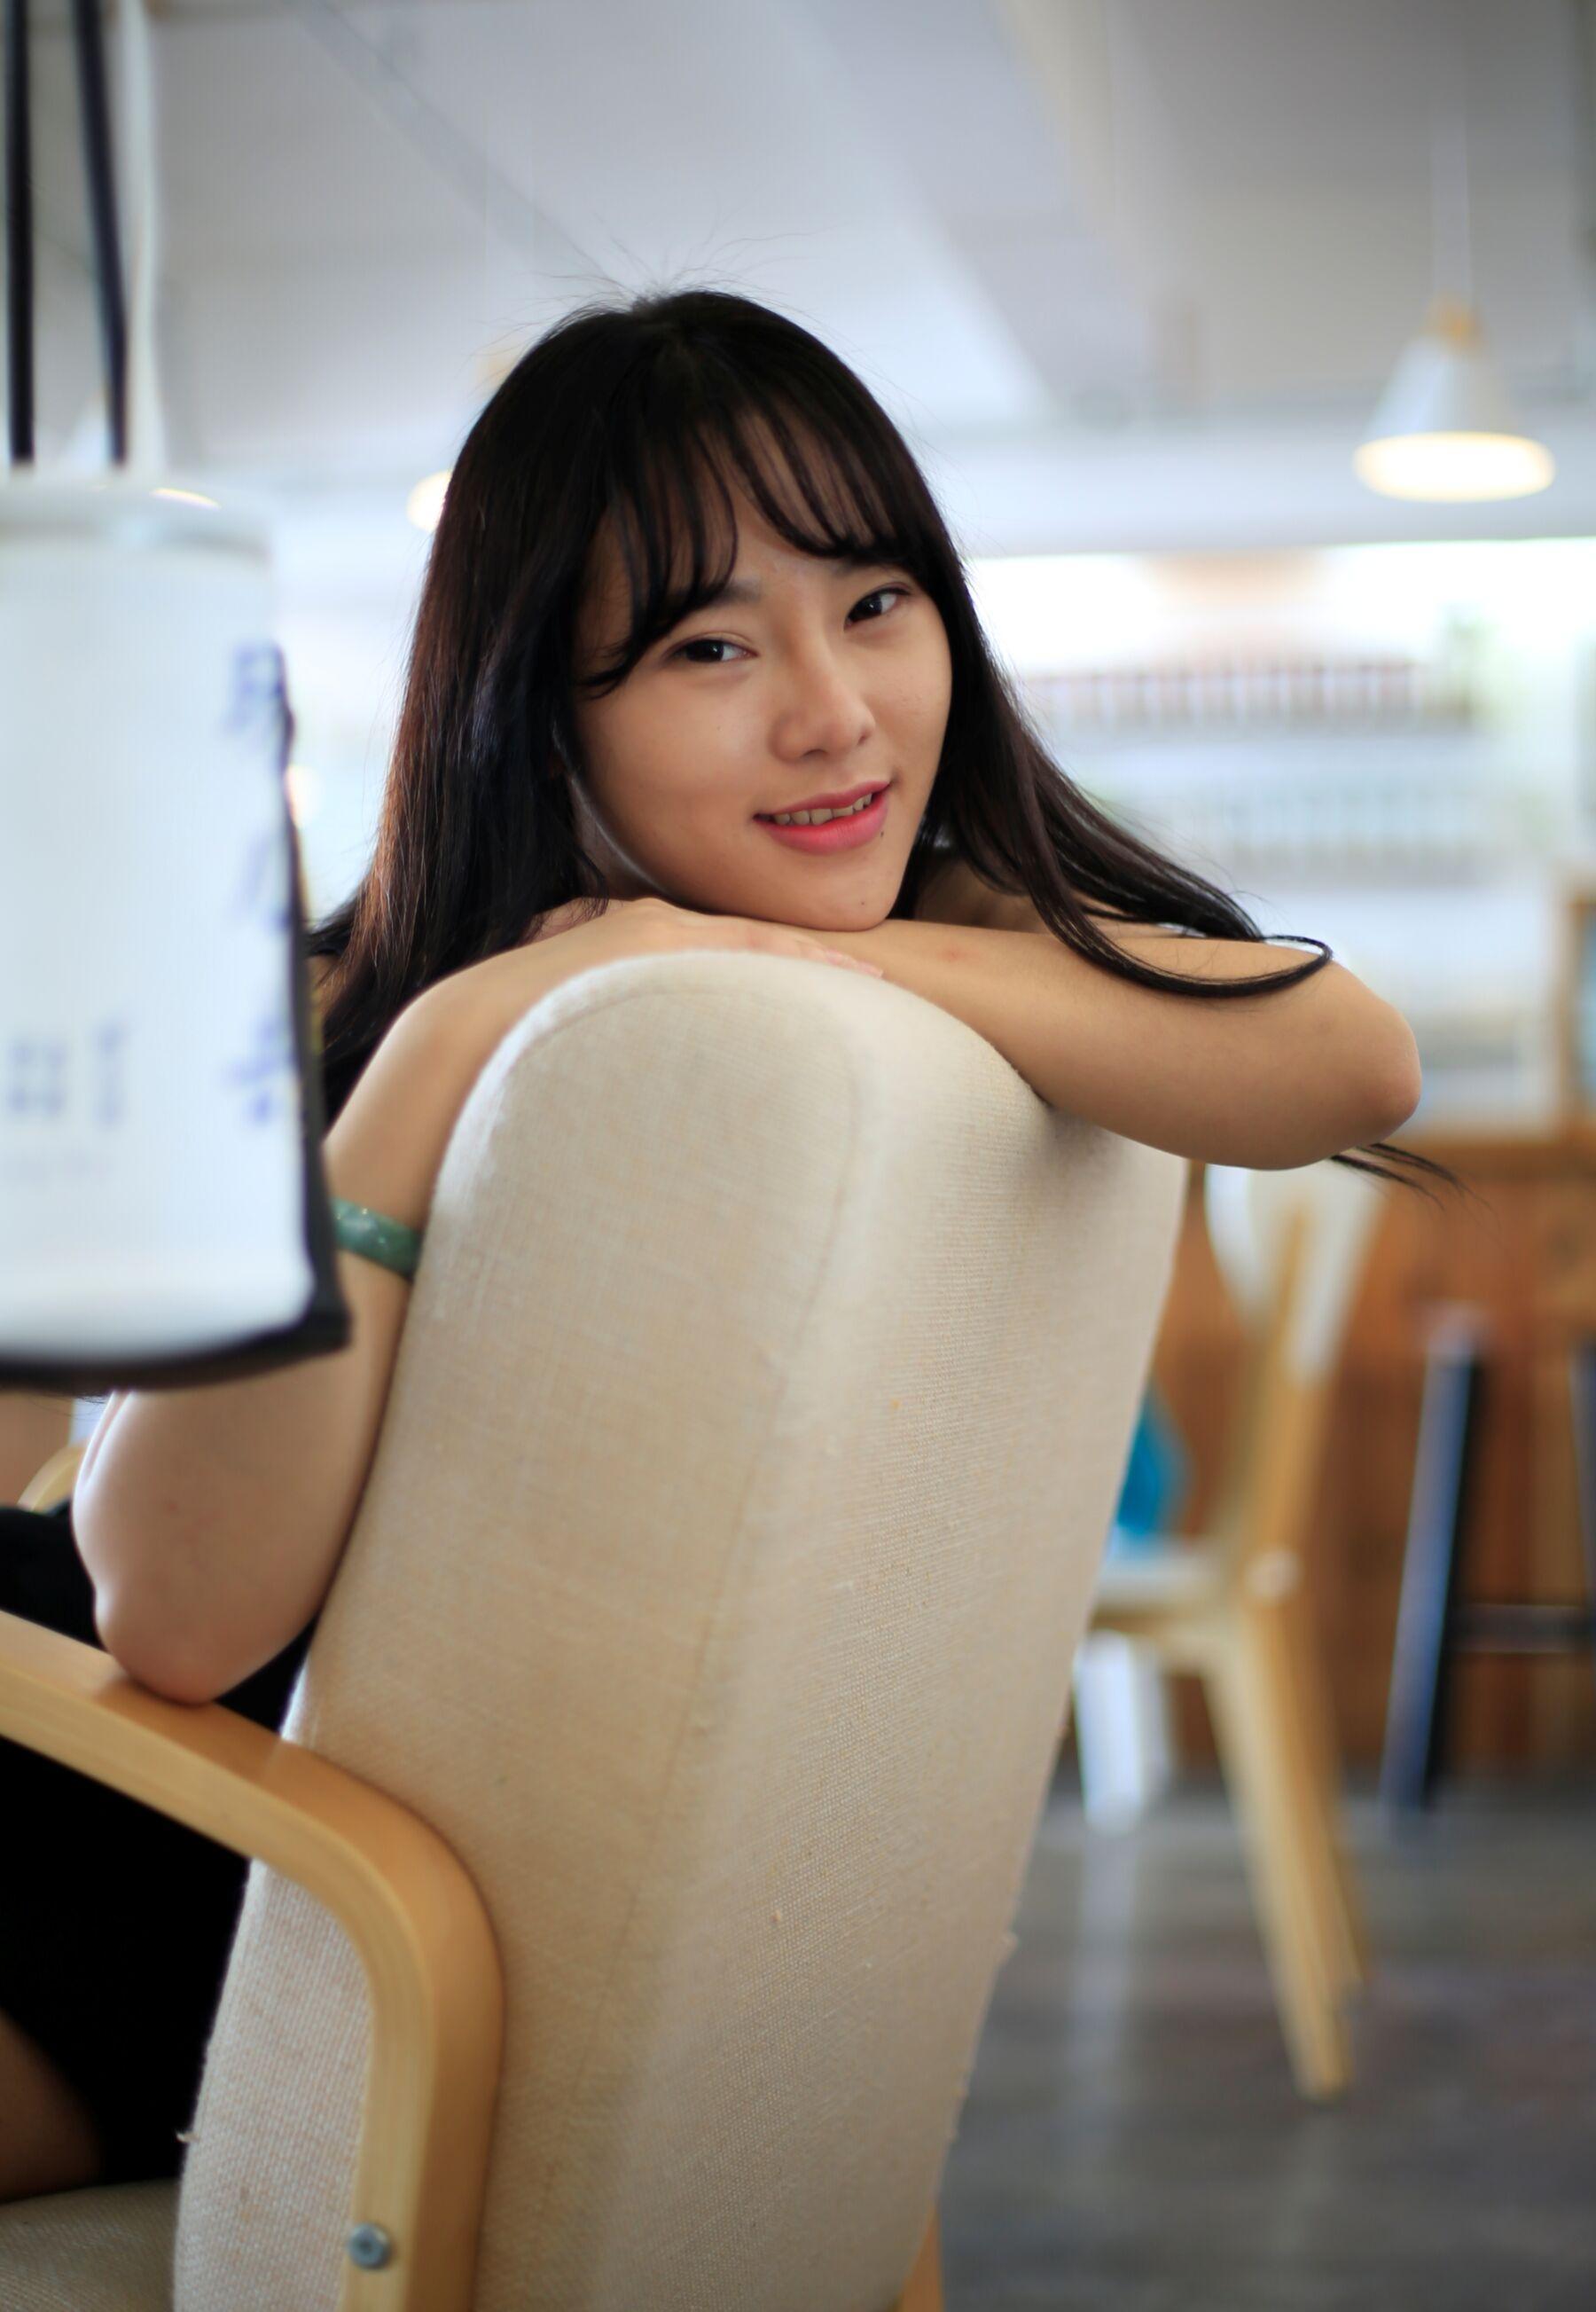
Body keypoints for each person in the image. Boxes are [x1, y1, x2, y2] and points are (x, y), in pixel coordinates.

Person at [0, 284, 1438, 2205]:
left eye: (876, 601)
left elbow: (1350, 1055)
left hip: (216, 1868)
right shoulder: (353, 1003)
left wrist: (710, 954)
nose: (834, 710)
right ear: (539, 709)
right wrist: (443, 1040)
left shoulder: (873, 948)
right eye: (709, 644)